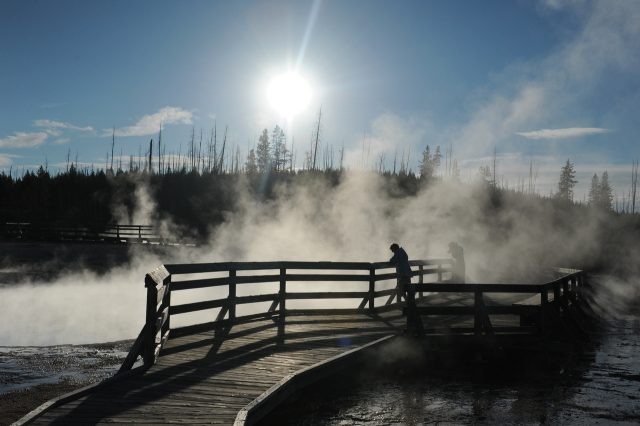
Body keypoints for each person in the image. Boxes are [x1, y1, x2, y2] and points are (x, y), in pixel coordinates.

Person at [389, 243, 423, 336]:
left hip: (403, 274)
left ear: (394, 249)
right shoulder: (402, 252)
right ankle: (410, 302)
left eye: (392, 250)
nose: (392, 252)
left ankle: (409, 303)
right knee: (407, 289)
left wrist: (391, 260)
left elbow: (392, 261)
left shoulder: (398, 253)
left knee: (401, 290)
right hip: (407, 273)